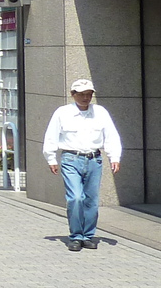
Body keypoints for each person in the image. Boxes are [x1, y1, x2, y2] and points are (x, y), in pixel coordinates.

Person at [42, 78, 123, 251]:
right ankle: (76, 235)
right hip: (71, 159)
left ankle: (88, 235)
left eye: (89, 94)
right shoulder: (62, 113)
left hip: (94, 159)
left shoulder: (100, 112)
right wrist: (51, 158)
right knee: (76, 197)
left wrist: (114, 157)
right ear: (73, 95)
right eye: (81, 95)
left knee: (91, 200)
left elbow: (111, 135)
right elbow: (51, 136)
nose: (86, 98)